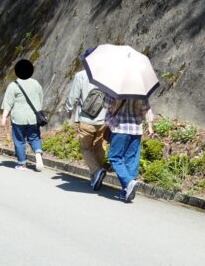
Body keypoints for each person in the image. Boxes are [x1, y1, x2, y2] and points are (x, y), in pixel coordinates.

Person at [65, 48, 109, 189]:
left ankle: (96, 171)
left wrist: (68, 110)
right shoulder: (106, 76)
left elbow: (73, 96)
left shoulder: (81, 75)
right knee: (99, 147)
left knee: (85, 148)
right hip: (104, 119)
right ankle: (95, 178)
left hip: (86, 119)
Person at [104, 95, 154, 203]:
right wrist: (150, 126)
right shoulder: (140, 92)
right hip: (136, 130)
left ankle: (129, 182)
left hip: (120, 128)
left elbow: (107, 107)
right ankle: (126, 191)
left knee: (114, 158)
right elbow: (147, 109)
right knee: (130, 160)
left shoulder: (115, 90)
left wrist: (111, 123)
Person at [0, 60, 45, 171]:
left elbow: (8, 103)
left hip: (18, 119)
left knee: (19, 140)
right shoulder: (36, 84)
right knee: (34, 138)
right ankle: (38, 154)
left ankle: (22, 164)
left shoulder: (13, 85)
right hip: (34, 117)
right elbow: (40, 100)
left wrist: (4, 117)